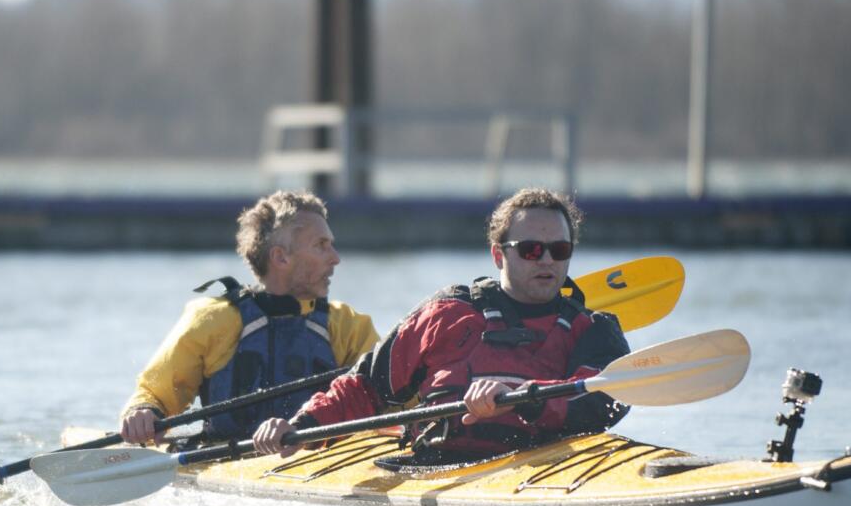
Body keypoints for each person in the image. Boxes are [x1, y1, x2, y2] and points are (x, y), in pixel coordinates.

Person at [252, 187, 630, 461]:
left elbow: (601, 402)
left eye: (559, 251)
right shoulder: (446, 313)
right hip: (435, 464)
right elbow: (366, 387)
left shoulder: (594, 330)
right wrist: (300, 426)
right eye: (531, 250)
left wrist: (519, 394)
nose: (546, 260)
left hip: (539, 464)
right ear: (498, 255)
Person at [119, 190, 379, 445]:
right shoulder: (212, 320)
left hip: (326, 460)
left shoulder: (350, 327)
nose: (335, 258)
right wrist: (142, 412)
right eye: (321, 246)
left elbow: (391, 396)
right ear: (281, 257)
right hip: (228, 459)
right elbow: (155, 393)